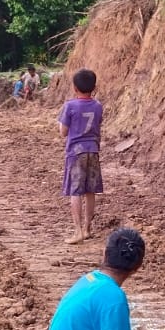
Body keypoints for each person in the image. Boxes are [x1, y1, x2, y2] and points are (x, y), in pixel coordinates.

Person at [58, 68, 104, 244]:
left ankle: (77, 231)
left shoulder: (70, 106)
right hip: (93, 150)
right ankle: (87, 228)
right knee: (90, 191)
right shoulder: (98, 106)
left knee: (75, 192)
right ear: (94, 87)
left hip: (75, 152)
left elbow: (63, 132)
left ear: (74, 88)